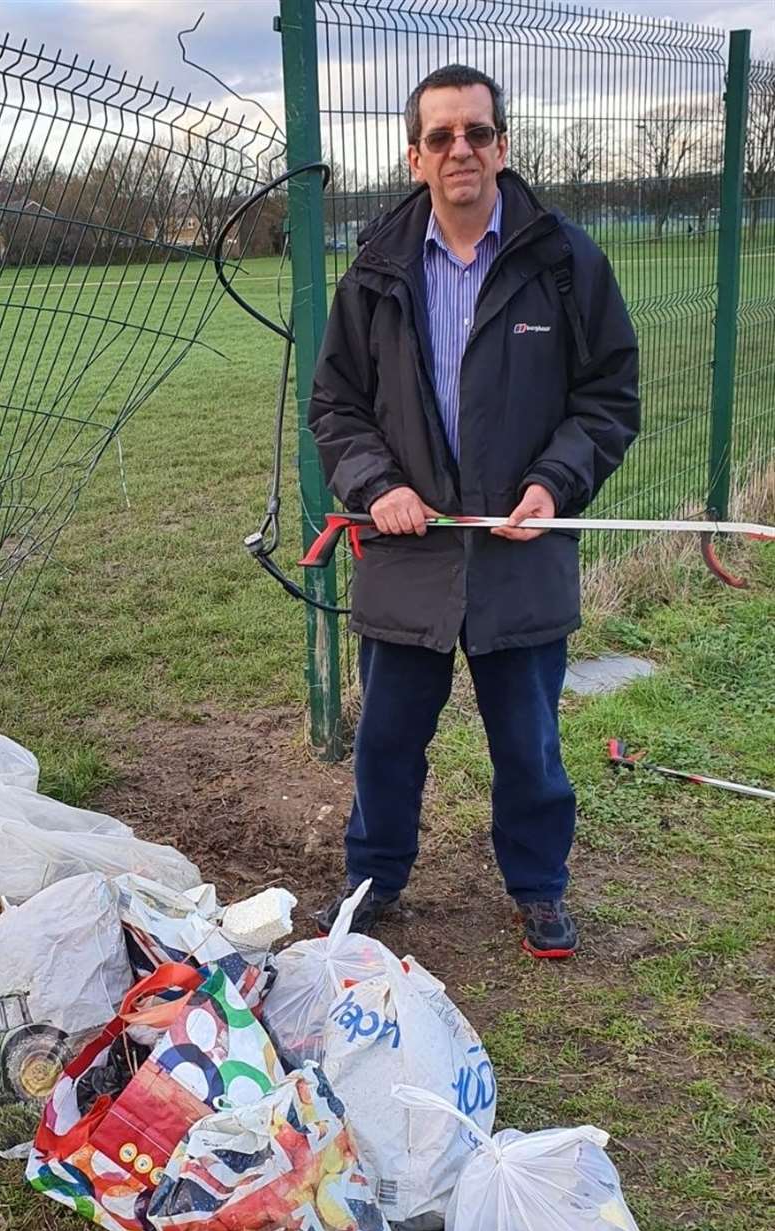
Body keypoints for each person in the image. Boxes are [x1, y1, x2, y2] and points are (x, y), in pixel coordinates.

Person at [307, 64, 640, 958]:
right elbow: (336, 406)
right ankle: (373, 882)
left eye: (478, 133)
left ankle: (539, 888)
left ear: (502, 145)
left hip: (520, 546)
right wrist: (379, 488)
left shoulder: (565, 262)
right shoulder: (374, 272)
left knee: (529, 746)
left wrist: (556, 484)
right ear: (414, 155)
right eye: (442, 136)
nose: (462, 150)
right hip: (408, 549)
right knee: (386, 741)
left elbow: (608, 397)